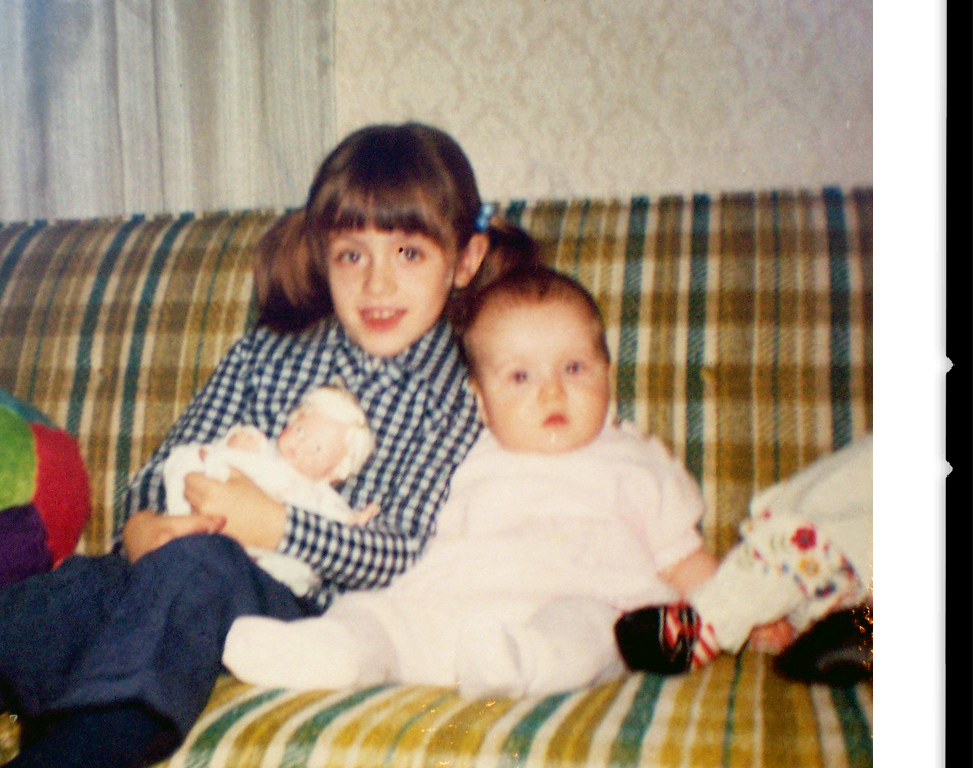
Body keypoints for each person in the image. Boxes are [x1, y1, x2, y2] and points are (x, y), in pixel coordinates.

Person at [0, 122, 540, 768]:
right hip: (173, 570)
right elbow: (164, 465)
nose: (377, 282)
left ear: (465, 259)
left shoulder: (459, 392)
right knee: (70, 589)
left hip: (306, 607)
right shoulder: (271, 349)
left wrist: (279, 525)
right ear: (322, 256)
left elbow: (407, 549)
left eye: (409, 253)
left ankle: (93, 740)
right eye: (352, 254)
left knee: (202, 565)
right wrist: (147, 523)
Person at [222, 264, 724, 697]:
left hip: (578, 597)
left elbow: (683, 559)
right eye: (520, 377)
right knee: (376, 616)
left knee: (590, 630)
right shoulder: (466, 450)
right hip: (453, 605)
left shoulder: (636, 461)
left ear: (606, 376)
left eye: (573, 368)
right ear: (481, 401)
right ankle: (331, 653)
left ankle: (523, 665)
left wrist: (741, 610)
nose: (552, 391)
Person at [614, 434, 872, 677]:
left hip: (843, 584)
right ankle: (714, 618)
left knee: (806, 559)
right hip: (824, 533)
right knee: (806, 543)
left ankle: (825, 632)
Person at [163, 384, 379, 596]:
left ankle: (264, 579)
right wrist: (235, 442)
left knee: (298, 570)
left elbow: (339, 527)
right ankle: (179, 523)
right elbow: (229, 461)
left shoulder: (322, 496)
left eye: (318, 448)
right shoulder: (263, 451)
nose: (301, 445)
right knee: (185, 457)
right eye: (299, 430)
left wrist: (356, 519)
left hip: (267, 563)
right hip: (215, 527)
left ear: (335, 472)